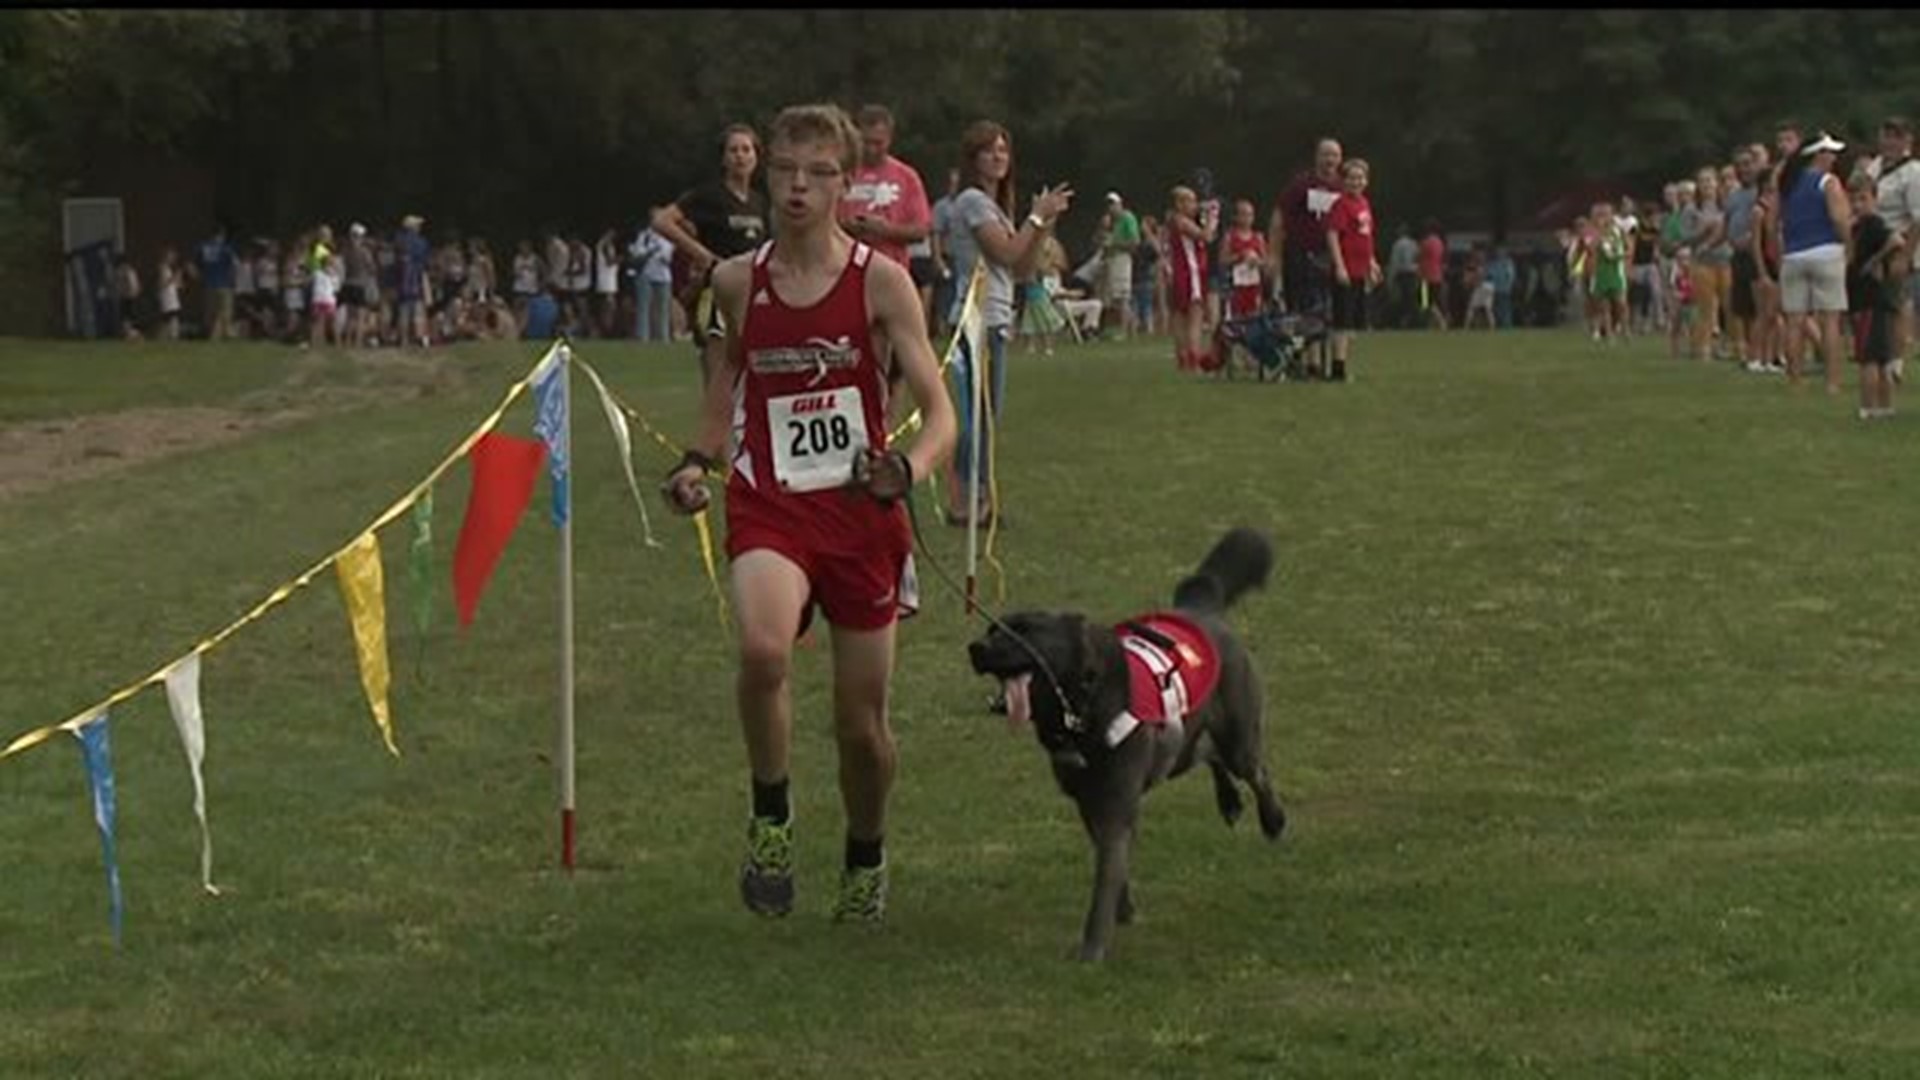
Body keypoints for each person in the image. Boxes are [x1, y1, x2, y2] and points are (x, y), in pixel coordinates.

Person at [659, 103, 957, 925]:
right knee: (761, 648)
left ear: (844, 182)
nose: (797, 185)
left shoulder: (882, 281)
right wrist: (696, 462)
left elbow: (941, 412)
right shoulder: (735, 280)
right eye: (786, 168)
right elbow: (724, 390)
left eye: (818, 172)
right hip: (771, 505)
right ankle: (772, 818)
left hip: (861, 514)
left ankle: (866, 850)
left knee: (861, 729)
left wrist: (909, 466)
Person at [940, 119, 1073, 527]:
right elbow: (1005, 253)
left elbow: (1023, 268)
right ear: (973, 158)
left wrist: (1044, 224)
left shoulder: (997, 207)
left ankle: (975, 500)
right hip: (973, 318)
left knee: (987, 416)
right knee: (978, 416)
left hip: (996, 317)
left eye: (1003, 149)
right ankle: (966, 502)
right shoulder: (973, 202)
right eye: (989, 149)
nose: (998, 156)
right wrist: (1035, 219)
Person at [652, 124, 771, 379]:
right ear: (723, 159)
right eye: (733, 150)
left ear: (756, 156)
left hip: (752, 294)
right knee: (719, 379)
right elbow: (662, 221)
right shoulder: (709, 195)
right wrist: (700, 254)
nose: (740, 156)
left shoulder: (759, 201)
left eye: (746, 150)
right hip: (717, 294)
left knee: (750, 377)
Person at [1775, 132, 1853, 394]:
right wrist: (1850, 247)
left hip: (1794, 254)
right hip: (1826, 251)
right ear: (1818, 155)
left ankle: (1795, 381)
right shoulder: (1828, 182)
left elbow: (1776, 222)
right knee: (1830, 321)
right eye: (1829, 152)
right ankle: (1832, 381)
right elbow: (1840, 219)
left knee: (1795, 321)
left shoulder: (1787, 183)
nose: (1833, 157)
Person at [1268, 137, 1345, 317]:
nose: (1330, 160)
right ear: (1317, 157)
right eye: (1326, 155)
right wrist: (1273, 253)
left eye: (1334, 155)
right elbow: (1279, 216)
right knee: (1304, 306)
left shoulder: (1342, 188)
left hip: (1332, 255)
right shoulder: (1302, 185)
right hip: (1301, 254)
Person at [1847, 173, 1902, 418]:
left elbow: (1896, 240)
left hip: (1873, 299)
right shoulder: (1858, 227)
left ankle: (1870, 407)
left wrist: (1874, 261)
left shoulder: (1874, 224)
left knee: (1870, 358)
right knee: (1878, 356)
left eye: (1863, 199)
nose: (1858, 205)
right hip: (1863, 298)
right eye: (1854, 200)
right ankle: (1883, 407)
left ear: (1874, 199)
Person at [1324, 158, 1380, 382]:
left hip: (1360, 270)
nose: (1356, 182)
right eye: (1351, 178)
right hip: (1346, 270)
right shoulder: (1340, 205)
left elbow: (1367, 237)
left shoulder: (1364, 204)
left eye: (1360, 178)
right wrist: (1339, 266)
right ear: (1343, 181)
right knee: (1342, 321)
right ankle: (1338, 368)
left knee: (1354, 323)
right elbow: (1333, 235)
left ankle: (1344, 362)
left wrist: (1372, 263)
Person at [1165, 184, 1217, 373]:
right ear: (1180, 203)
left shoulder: (1173, 221)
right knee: (1195, 317)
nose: (1195, 205)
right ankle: (1194, 358)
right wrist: (1212, 219)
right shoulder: (1181, 221)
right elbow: (1206, 236)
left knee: (1180, 317)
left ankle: (1182, 358)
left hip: (1179, 272)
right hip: (1190, 272)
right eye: (1191, 201)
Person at [1099, 192, 1141, 338]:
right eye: (1108, 205)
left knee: (1122, 296)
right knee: (1116, 297)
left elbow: (1135, 242)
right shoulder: (1113, 222)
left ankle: (1126, 329)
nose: (1110, 208)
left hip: (1122, 258)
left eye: (1113, 204)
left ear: (1120, 204)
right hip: (1113, 258)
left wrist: (1115, 244)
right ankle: (1132, 326)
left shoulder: (1127, 218)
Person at [629, 224, 675, 343]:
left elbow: (668, 257)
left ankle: (663, 337)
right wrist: (650, 252)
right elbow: (637, 254)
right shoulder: (644, 236)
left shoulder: (667, 237)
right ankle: (642, 336)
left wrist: (662, 255)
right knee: (643, 307)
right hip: (645, 274)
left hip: (663, 276)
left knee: (663, 308)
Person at [196, 226, 238, 341]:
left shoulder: (203, 247)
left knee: (211, 312)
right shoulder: (226, 248)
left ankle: (214, 334)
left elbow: (192, 265)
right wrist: (233, 279)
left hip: (209, 285)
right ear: (221, 235)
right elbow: (234, 265)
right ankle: (218, 336)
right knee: (224, 312)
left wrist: (200, 276)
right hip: (224, 284)